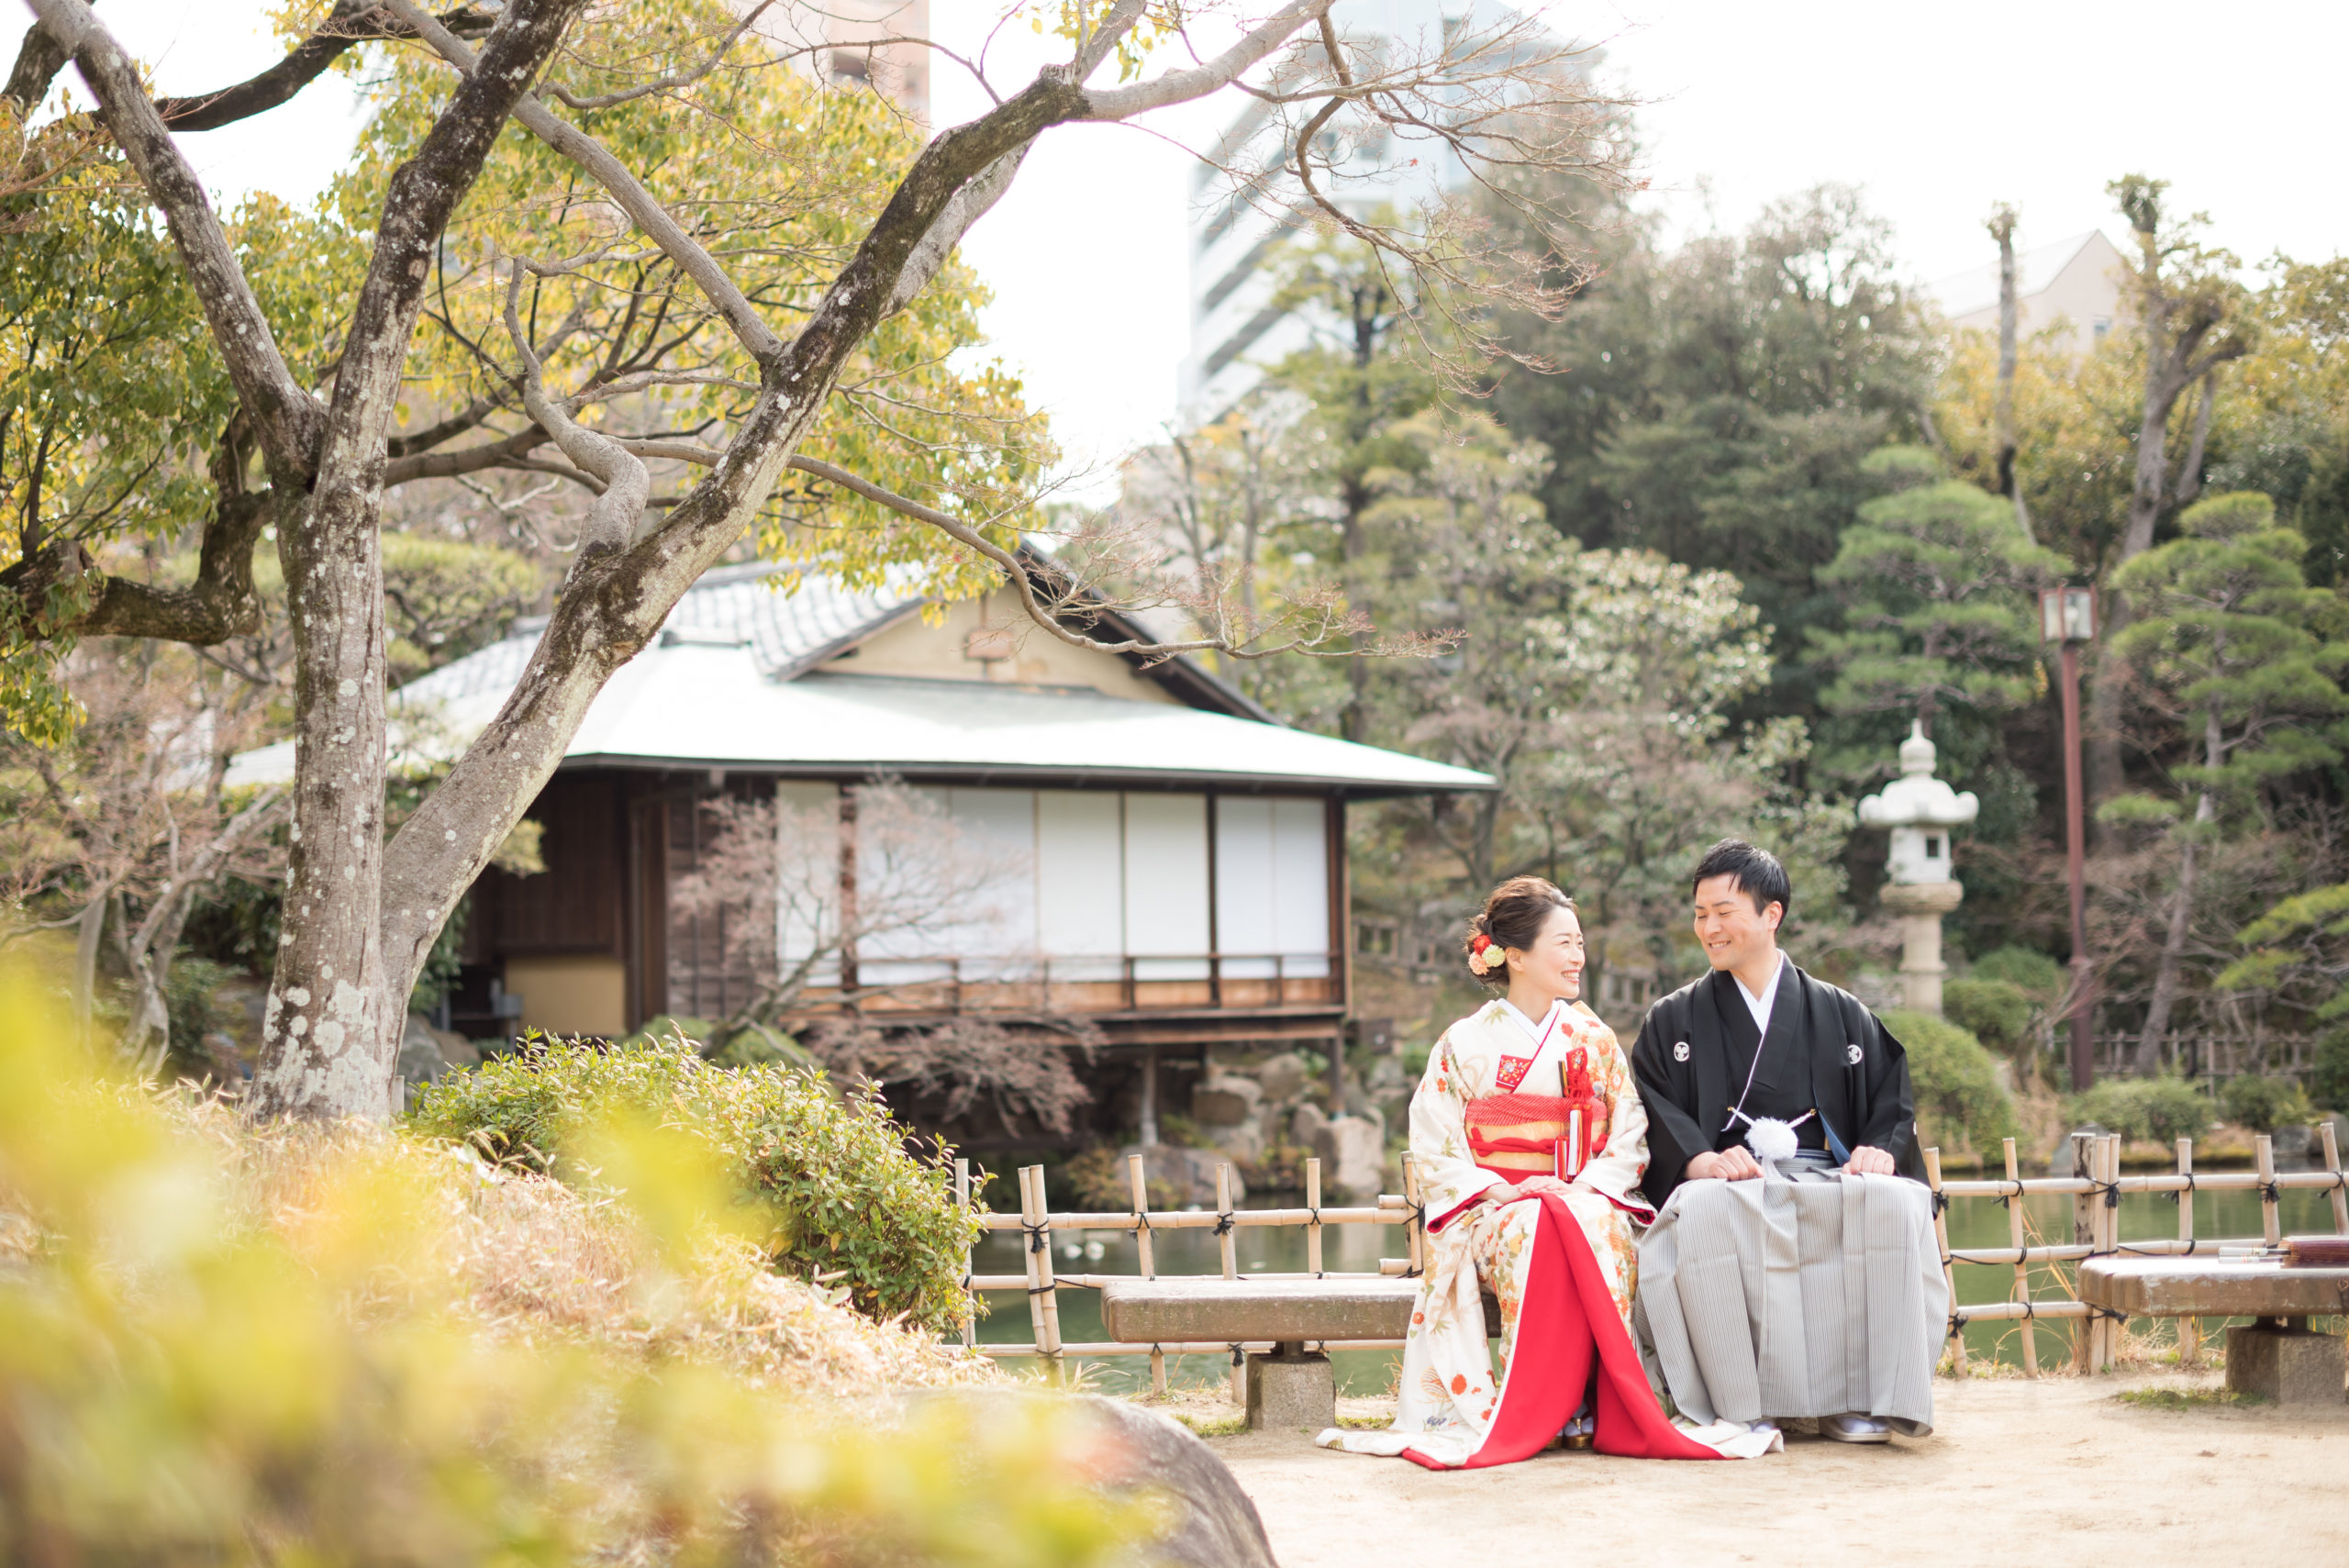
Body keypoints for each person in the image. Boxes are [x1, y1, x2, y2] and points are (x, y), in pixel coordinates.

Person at [1320, 877, 1776, 1468]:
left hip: (1584, 1195)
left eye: (1580, 942)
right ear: (1515, 955)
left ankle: (1592, 1405)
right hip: (1497, 1209)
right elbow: (1435, 1146)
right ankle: (1538, 1406)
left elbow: (1630, 1130)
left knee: (1586, 1221)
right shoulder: (1463, 1043)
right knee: (1536, 1226)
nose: (1578, 956)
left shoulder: (1593, 1037)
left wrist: (1582, 1186)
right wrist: (1507, 1189)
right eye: (1564, 943)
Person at [1629, 840, 1947, 1444]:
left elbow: (1889, 1098)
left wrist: (1878, 1145)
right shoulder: (1675, 1018)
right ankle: (1739, 1403)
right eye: (1700, 913)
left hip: (1825, 1170)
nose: (1709, 926)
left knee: (1895, 1201)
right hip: (1729, 1178)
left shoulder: (1838, 1010)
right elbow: (1652, 1099)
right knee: (1699, 1211)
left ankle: (1866, 1398)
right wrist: (1699, 1157)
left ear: (1770, 914)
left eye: (1723, 910)